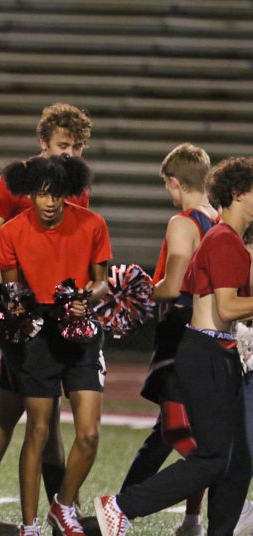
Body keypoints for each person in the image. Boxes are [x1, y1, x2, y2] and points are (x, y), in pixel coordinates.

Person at [96, 157, 253, 536]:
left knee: (239, 460)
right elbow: (227, 307)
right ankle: (120, 506)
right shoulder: (224, 239)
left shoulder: (228, 239)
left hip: (221, 352)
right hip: (206, 354)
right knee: (213, 458)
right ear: (237, 193)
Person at [0, 103, 94, 533]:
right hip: (21, 310)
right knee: (32, 407)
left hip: (56, 309)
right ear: (43, 144)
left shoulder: (76, 185)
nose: (71, 153)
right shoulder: (17, 181)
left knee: (15, 404)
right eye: (64, 145)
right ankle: (65, 507)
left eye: (78, 146)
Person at [0, 155, 110, 536]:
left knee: (89, 434)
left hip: (81, 330)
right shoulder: (11, 231)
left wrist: (87, 299)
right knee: (38, 430)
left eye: (57, 194)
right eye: (42, 194)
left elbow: (102, 281)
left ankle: (62, 506)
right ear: (30, 194)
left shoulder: (92, 224)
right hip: (37, 335)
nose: (50, 202)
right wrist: (15, 306)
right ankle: (29, 526)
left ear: (68, 193)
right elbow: (12, 290)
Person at [119, 144, 217, 536]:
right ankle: (188, 520)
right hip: (215, 333)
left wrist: (130, 291)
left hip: (182, 333)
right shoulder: (220, 218)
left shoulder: (184, 222)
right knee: (170, 432)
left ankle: (231, 493)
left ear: (175, 182)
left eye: (168, 187)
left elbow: (172, 286)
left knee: (178, 430)